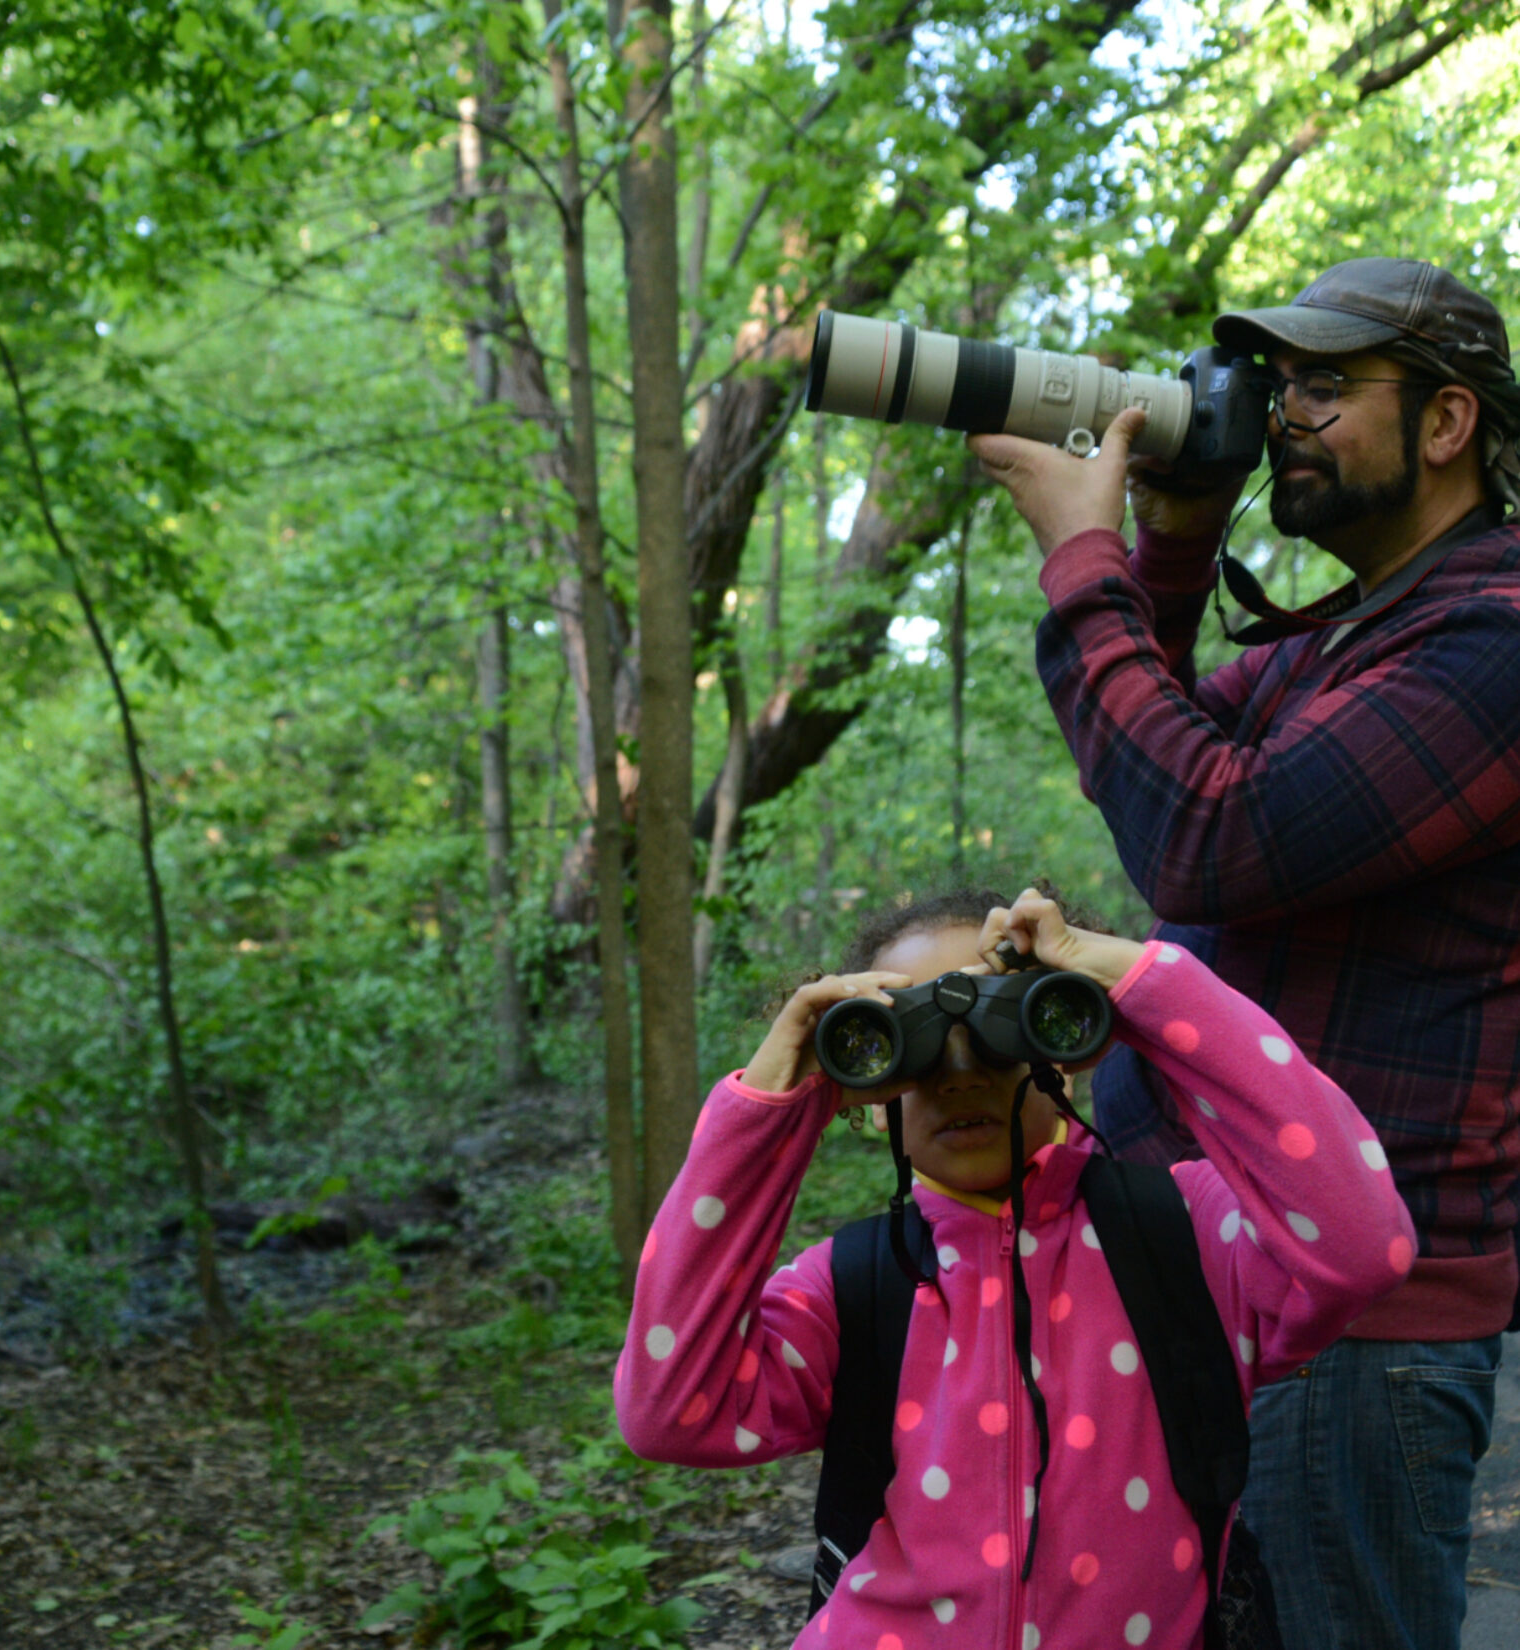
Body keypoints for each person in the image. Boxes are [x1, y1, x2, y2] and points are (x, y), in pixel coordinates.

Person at [969, 257, 1520, 1650]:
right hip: (1231, 1275)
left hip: (1362, 1324)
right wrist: (1167, 537)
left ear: (1446, 423)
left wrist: (1074, 556)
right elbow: (1152, 754)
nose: (1283, 416)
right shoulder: (1343, 645)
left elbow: (1206, 839)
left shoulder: (1493, 644)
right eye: (1278, 389)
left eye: (1326, 389)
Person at [616, 885, 1415, 1650]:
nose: (958, 1071)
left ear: (1063, 1040)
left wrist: (1147, 988)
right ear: (869, 1084)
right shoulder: (853, 1283)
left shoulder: (1188, 1235)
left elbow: (1362, 1245)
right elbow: (668, 1408)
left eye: (1002, 1026)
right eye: (911, 1043)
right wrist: (770, 1108)